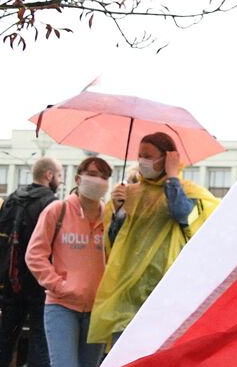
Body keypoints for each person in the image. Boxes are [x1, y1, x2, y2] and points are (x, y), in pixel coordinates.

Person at [90, 133, 218, 346]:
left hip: (165, 295)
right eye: (140, 155)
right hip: (127, 294)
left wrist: (172, 177)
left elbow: (182, 215)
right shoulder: (129, 193)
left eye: (148, 155)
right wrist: (119, 213)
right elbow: (113, 243)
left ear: (168, 158)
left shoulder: (188, 192)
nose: (142, 161)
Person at [26, 156, 111, 367]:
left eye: (104, 176)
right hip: (61, 305)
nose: (98, 181)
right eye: (92, 174)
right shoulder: (58, 210)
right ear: (78, 178)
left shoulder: (110, 217)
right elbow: (35, 254)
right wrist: (58, 284)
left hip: (97, 309)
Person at [0, 155, 61, 367]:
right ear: (49, 175)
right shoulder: (50, 203)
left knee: (4, 341)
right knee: (40, 341)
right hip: (39, 282)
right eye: (59, 175)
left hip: (9, 281)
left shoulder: (12, 199)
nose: (59, 181)